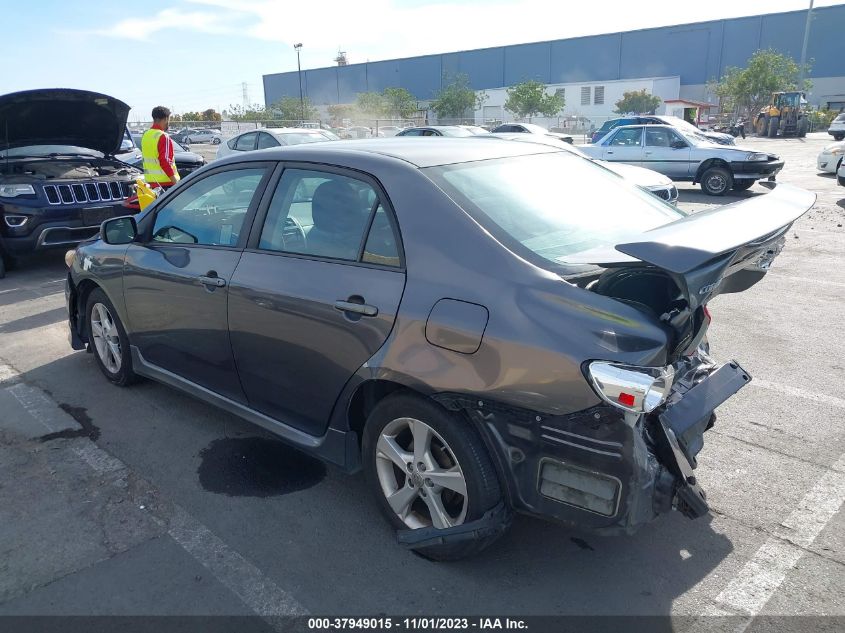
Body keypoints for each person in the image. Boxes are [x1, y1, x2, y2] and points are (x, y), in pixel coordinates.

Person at [141, 106, 180, 189]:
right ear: (165, 119)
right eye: (168, 119)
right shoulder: (163, 136)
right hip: (166, 184)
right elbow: (164, 161)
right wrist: (176, 184)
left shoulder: (146, 135)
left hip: (151, 184)